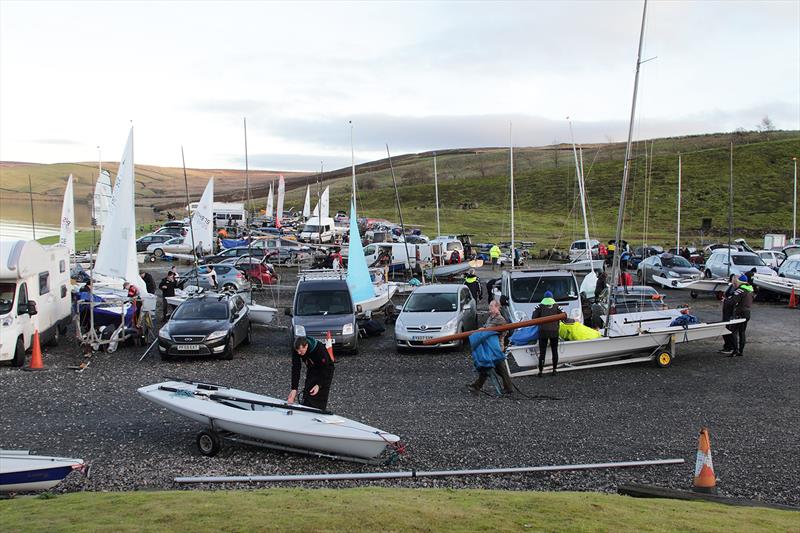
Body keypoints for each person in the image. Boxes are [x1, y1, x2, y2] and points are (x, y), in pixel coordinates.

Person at [467, 300, 513, 395]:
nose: (489, 308)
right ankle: (477, 386)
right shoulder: (491, 318)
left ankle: (508, 388)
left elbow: (496, 331)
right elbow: (486, 327)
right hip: (490, 346)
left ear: (496, 307)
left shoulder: (500, 319)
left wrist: (483, 329)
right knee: (488, 366)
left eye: (491, 306)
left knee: (498, 368)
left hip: (496, 347)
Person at [288, 336, 335, 411]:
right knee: (308, 393)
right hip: (312, 368)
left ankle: (319, 412)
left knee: (318, 395)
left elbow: (326, 369)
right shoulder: (297, 349)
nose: (299, 353)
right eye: (297, 351)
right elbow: (296, 368)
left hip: (326, 370)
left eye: (301, 351)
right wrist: (294, 389)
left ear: (306, 346)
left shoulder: (319, 349)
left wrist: (319, 385)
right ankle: (305, 411)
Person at [532, 290, 563, 376]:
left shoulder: (540, 306)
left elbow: (533, 317)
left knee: (542, 352)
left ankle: (540, 371)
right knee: (554, 350)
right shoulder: (557, 306)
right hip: (554, 331)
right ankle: (554, 370)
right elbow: (563, 315)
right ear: (552, 298)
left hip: (543, 331)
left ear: (544, 298)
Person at [724, 275, 754, 357]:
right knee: (742, 332)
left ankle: (735, 350)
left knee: (733, 331)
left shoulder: (740, 290)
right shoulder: (750, 289)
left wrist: (726, 300)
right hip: (747, 312)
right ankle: (741, 351)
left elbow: (733, 301)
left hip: (739, 313)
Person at [719, 274, 739, 354]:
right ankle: (727, 346)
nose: (733, 282)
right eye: (732, 280)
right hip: (726, 309)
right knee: (725, 327)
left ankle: (730, 347)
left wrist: (726, 300)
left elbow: (734, 300)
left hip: (731, 311)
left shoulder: (738, 289)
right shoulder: (731, 286)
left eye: (734, 281)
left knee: (730, 329)